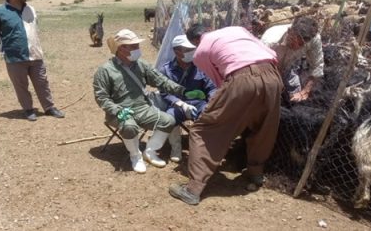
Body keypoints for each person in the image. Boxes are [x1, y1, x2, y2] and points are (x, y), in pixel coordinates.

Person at [168, 24, 283, 205]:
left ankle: (193, 189)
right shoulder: (236, 29)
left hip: (241, 78)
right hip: (273, 76)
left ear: (195, 41)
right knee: (263, 126)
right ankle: (255, 174)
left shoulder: (201, 51)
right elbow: (269, 53)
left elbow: (221, 82)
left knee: (203, 129)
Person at [93, 29, 202, 174]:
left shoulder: (142, 65)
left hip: (143, 107)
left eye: (137, 45)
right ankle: (135, 156)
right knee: (129, 127)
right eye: (134, 46)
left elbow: (161, 81)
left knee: (168, 120)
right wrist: (117, 110)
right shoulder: (105, 70)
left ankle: (150, 151)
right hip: (119, 111)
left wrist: (182, 91)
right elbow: (101, 97)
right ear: (121, 48)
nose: (138, 49)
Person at [0, 0, 64, 121]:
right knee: (21, 85)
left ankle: (49, 108)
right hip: (15, 57)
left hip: (35, 53)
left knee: (42, 82)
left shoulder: (30, 9)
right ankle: (28, 109)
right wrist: (9, 44)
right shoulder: (0, 12)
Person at [159, 35, 216, 162]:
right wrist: (180, 104)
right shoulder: (166, 69)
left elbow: (211, 87)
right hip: (178, 105)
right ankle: (176, 147)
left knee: (209, 114)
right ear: (176, 51)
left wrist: (212, 100)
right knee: (169, 118)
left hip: (199, 103)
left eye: (192, 49)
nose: (192, 52)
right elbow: (165, 93)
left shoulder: (201, 66)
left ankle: (205, 148)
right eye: (187, 49)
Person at [261, 16, 324, 102]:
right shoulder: (270, 41)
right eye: (293, 41)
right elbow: (260, 68)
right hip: (267, 67)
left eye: (301, 45)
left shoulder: (314, 39)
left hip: (291, 64)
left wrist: (305, 92)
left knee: (295, 98)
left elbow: (317, 65)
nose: (296, 47)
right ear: (289, 31)